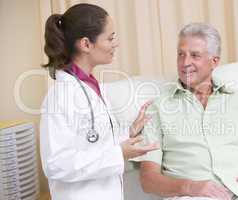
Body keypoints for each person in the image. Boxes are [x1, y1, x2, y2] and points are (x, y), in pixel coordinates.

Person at [133, 23, 238, 200]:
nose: (185, 62)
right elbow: (148, 180)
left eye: (195, 55)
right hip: (193, 195)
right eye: (181, 54)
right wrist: (190, 187)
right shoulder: (158, 108)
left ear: (214, 61)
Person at [39, 3, 158, 200]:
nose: (116, 43)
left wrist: (128, 132)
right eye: (110, 38)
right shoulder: (60, 97)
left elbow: (93, 143)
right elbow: (56, 164)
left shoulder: (92, 86)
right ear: (86, 44)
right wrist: (118, 154)